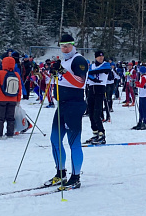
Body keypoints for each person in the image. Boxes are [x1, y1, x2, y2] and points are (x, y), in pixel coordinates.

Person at [43, 34, 88, 190]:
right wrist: (55, 73)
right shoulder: (64, 60)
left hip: (74, 105)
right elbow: (62, 79)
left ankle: (75, 177)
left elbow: (80, 82)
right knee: (54, 139)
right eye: (62, 46)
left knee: (73, 142)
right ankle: (60, 173)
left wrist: (63, 72)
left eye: (68, 45)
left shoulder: (79, 60)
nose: (65, 48)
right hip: (61, 105)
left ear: (73, 45)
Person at [0, 55, 21, 138]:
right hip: (13, 99)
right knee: (10, 117)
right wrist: (18, 99)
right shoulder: (16, 74)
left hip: (1, 99)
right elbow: (19, 88)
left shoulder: (0, 73)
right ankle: (10, 133)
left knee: (0, 118)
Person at [85, 50, 110, 144]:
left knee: (97, 113)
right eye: (99, 57)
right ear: (95, 57)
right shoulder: (92, 65)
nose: (101, 58)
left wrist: (91, 73)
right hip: (91, 89)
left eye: (102, 56)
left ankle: (101, 133)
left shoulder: (105, 64)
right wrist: (93, 76)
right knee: (90, 113)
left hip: (100, 89)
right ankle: (95, 133)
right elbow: (88, 75)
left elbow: (104, 70)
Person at [132, 65, 146, 130]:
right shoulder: (143, 77)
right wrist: (136, 82)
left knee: (143, 109)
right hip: (142, 94)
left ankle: (144, 122)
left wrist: (136, 85)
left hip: (144, 95)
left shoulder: (144, 77)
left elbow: (142, 85)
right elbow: (141, 83)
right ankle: (140, 121)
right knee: (141, 109)